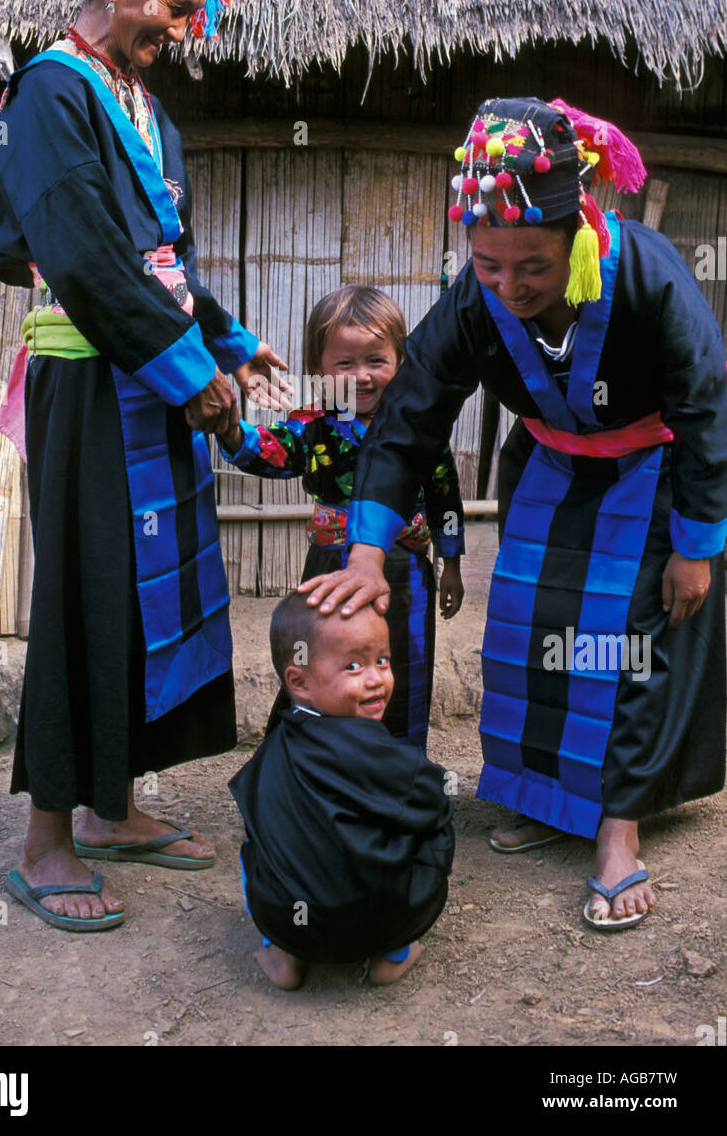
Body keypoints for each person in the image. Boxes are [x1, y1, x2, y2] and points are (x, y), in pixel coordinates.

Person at [300, 95, 727, 931]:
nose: (508, 285)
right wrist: (365, 546)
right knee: (529, 630)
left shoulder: (646, 273)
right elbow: (411, 413)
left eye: (529, 264)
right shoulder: (477, 299)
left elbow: (708, 404)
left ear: (575, 229)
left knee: (627, 639)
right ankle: (543, 797)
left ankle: (617, 827)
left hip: (654, 472)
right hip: (552, 468)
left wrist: (698, 545)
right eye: (488, 264)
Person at [0, 0, 289, 931]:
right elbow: (69, 254)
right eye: (177, 3)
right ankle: (45, 843)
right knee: (82, 591)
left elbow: (162, 262)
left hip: (149, 377)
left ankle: (111, 811)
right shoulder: (47, 96)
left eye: (199, 6)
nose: (189, 26)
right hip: (92, 388)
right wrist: (191, 373)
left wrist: (234, 343)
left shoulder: (143, 109)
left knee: (139, 593)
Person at [216, 285, 465, 751]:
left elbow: (444, 496)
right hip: (329, 568)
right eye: (345, 364)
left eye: (377, 360)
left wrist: (451, 562)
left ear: (402, 361)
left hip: (405, 575)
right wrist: (231, 430)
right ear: (319, 371)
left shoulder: (421, 425)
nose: (363, 376)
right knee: (323, 663)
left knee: (404, 671)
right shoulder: (314, 425)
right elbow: (273, 454)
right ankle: (311, 772)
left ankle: (399, 773)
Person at [228, 591, 455, 988]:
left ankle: (284, 956)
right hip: (376, 924)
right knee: (436, 825)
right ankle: (391, 955)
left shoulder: (274, 746)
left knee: (254, 848)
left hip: (292, 920)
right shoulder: (384, 755)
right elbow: (434, 802)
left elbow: (254, 815)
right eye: (353, 666)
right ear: (298, 681)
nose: (376, 679)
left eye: (382, 660)